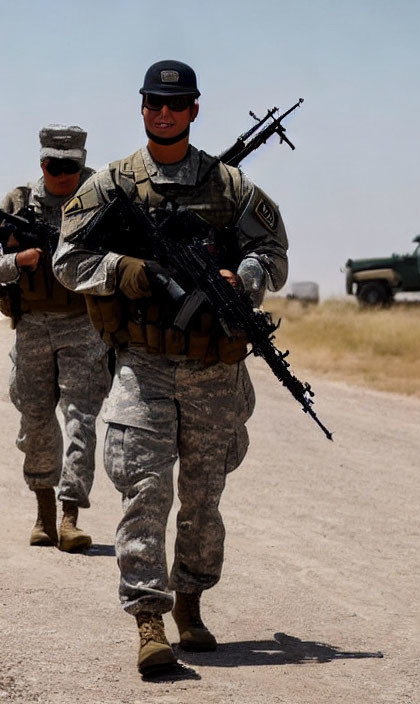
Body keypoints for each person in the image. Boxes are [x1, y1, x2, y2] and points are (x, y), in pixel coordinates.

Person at [54, 60, 288, 675]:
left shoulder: (229, 186)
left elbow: (274, 252)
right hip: (145, 365)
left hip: (214, 371)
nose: (165, 112)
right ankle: (148, 618)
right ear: (142, 108)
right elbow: (67, 260)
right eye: (155, 102)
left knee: (204, 499)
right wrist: (126, 272)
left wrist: (246, 276)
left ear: (194, 109)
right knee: (145, 490)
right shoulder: (111, 184)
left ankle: (191, 601)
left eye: (176, 103)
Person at [0, 125, 110, 553]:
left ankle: (69, 516)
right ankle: (44, 511)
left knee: (81, 419)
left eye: (70, 166)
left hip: (84, 323)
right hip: (33, 325)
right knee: (35, 418)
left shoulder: (102, 201)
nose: (61, 174)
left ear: (82, 163)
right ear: (41, 162)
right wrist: (17, 262)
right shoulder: (17, 204)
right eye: (52, 165)